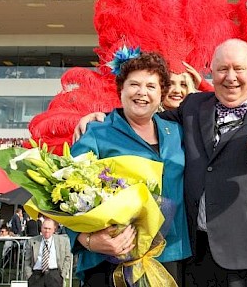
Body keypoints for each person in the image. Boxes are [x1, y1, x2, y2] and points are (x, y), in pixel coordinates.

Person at [74, 38, 247, 287]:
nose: (230, 77)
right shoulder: (193, 106)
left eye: (238, 69)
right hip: (195, 256)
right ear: (211, 73)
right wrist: (103, 117)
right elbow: (143, 115)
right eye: (222, 69)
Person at [68, 51, 191, 286]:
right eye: (134, 84)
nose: (142, 92)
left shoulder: (177, 132)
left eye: (151, 86)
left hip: (170, 254)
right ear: (121, 90)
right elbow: (63, 192)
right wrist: (87, 240)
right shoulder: (96, 132)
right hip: (111, 255)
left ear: (161, 94)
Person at [24, 218, 72, 287]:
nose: (47, 231)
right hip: (36, 275)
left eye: (49, 229)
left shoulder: (63, 241)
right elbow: (27, 260)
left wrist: (62, 275)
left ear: (54, 230)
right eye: (45, 228)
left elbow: (68, 258)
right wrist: (29, 275)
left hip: (55, 275)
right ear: (41, 228)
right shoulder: (32, 241)